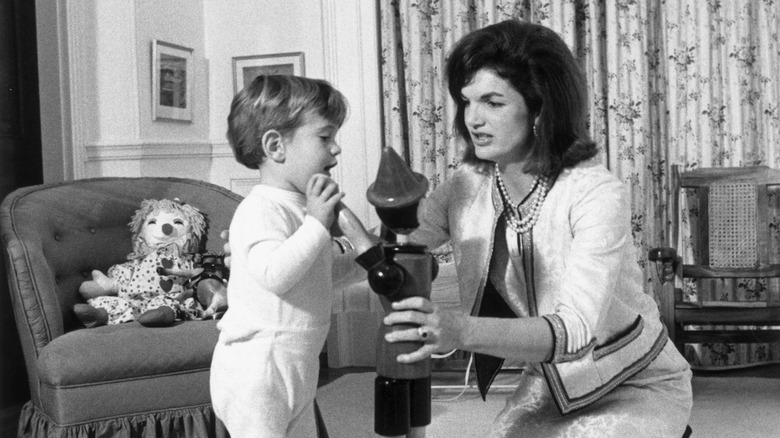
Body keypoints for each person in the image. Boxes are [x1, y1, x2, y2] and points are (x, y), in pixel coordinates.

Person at [379, 20, 693, 437]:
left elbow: (576, 331)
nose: (473, 119)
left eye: (493, 102)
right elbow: (403, 244)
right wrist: (323, 228)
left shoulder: (595, 192)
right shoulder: (466, 187)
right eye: (466, 101)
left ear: (539, 107)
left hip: (635, 378)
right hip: (550, 381)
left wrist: (458, 329)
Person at [210, 74, 372, 437]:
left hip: (298, 363)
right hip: (259, 366)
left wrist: (364, 262)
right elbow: (275, 274)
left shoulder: (302, 208)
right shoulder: (260, 209)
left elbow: (318, 273)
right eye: (324, 137)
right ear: (275, 146)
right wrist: (317, 223)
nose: (336, 149)